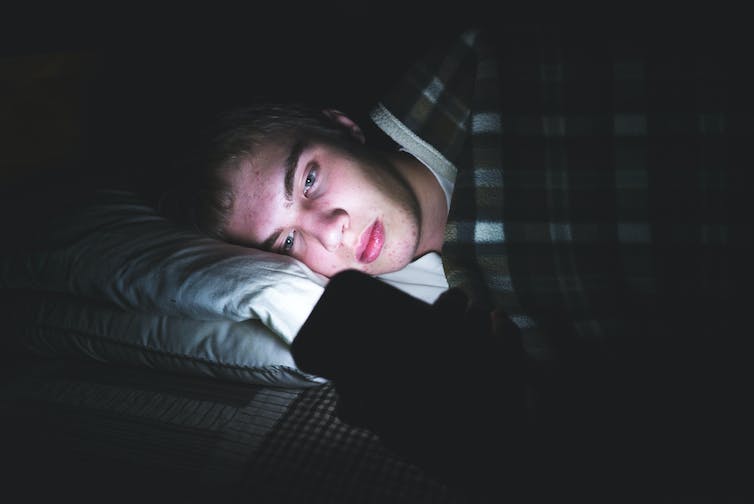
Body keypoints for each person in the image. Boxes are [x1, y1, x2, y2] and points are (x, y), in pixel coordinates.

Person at [162, 25, 746, 497]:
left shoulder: (493, 63)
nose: (331, 229)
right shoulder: (455, 321)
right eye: (286, 242)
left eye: (309, 179)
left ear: (341, 128)